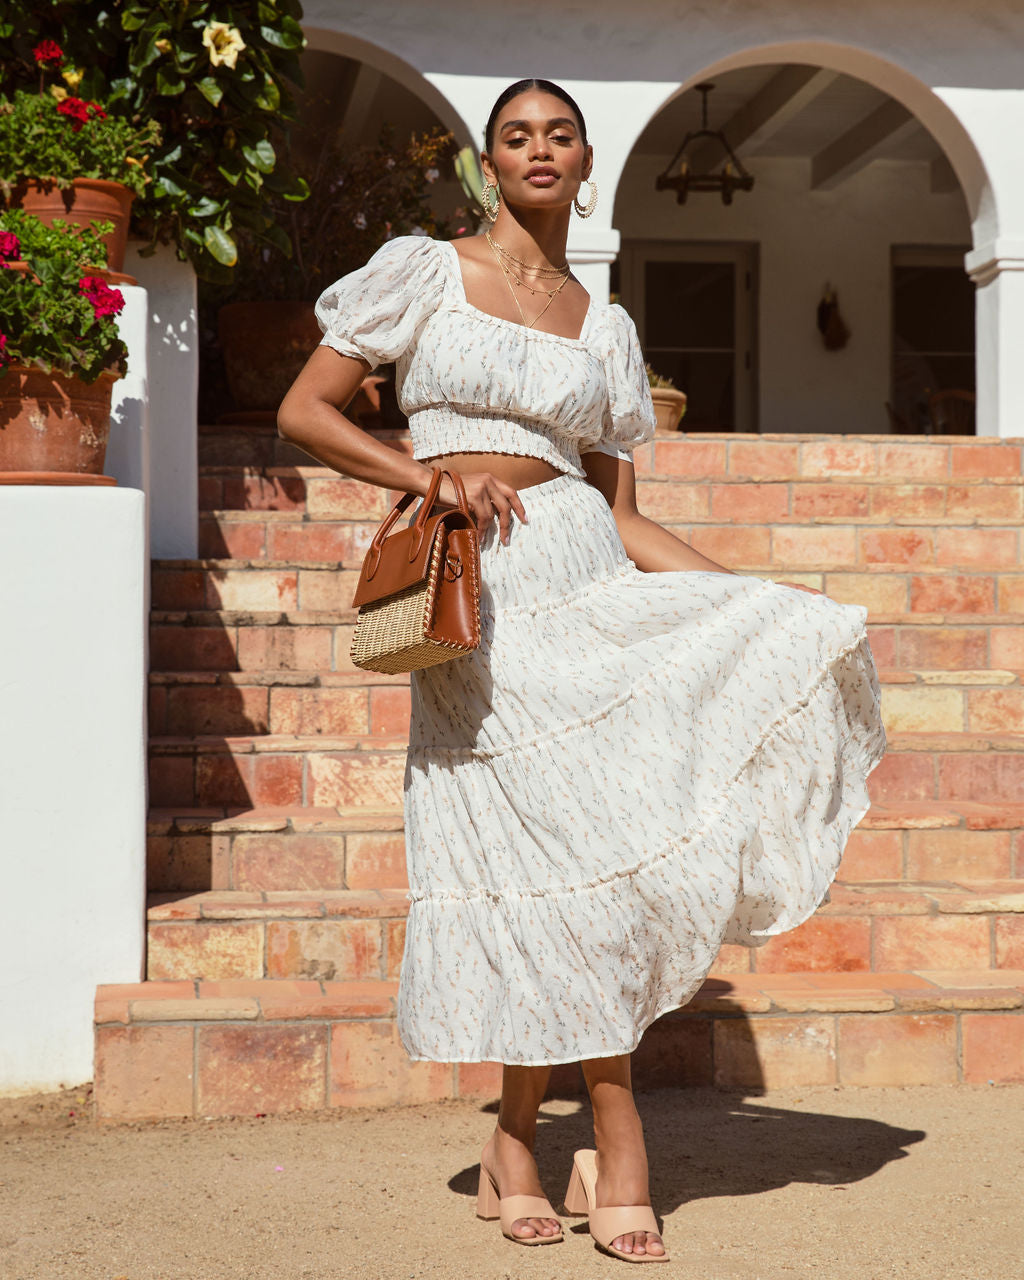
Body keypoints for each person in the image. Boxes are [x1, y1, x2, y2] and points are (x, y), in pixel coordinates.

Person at [278, 77, 886, 1264]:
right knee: (545, 856)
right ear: (488, 163)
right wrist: (429, 476)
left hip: (583, 582)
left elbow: (623, 513)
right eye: (515, 136)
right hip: (477, 595)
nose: (537, 149)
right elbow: (306, 411)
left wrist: (748, 597)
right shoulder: (423, 269)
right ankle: (617, 1128)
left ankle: (515, 1134)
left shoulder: (603, 325)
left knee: (584, 871)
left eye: (558, 134)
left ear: (585, 160)